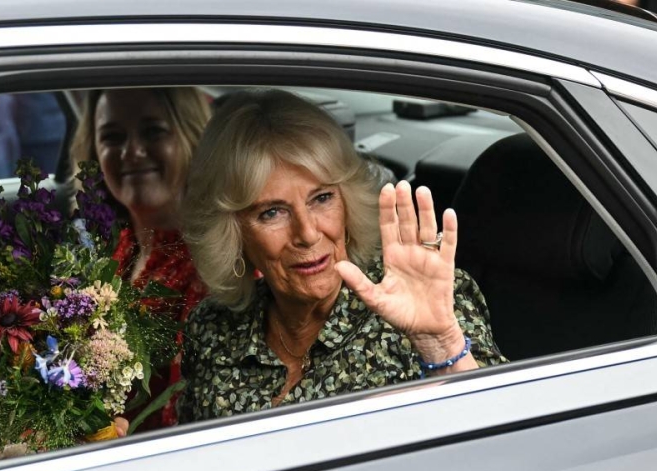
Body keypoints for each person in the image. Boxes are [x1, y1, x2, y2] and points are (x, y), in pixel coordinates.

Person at [178, 89, 505, 422]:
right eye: (272, 212)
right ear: (233, 232)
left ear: (347, 202)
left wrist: (439, 343)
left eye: (321, 198)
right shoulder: (211, 328)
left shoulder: (425, 301)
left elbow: (507, 441)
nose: (307, 233)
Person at [71, 87, 212, 431]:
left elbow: (191, 421)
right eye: (113, 137)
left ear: (192, 140)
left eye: (153, 132)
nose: (132, 152)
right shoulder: (114, 247)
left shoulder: (214, 265)